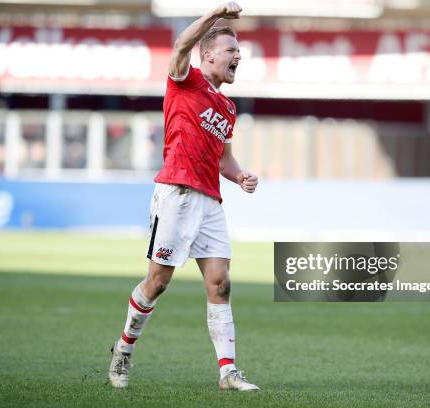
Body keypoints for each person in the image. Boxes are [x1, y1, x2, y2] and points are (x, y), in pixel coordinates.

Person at [108, 1, 260, 392]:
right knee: (157, 282)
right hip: (176, 194)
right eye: (231, 50)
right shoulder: (184, 79)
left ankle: (228, 371)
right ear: (207, 54)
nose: (237, 56)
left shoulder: (227, 108)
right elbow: (179, 44)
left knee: (220, 283)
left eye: (239, 52)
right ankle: (123, 350)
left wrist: (240, 175)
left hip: (210, 201)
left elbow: (224, 159)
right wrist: (215, 15)